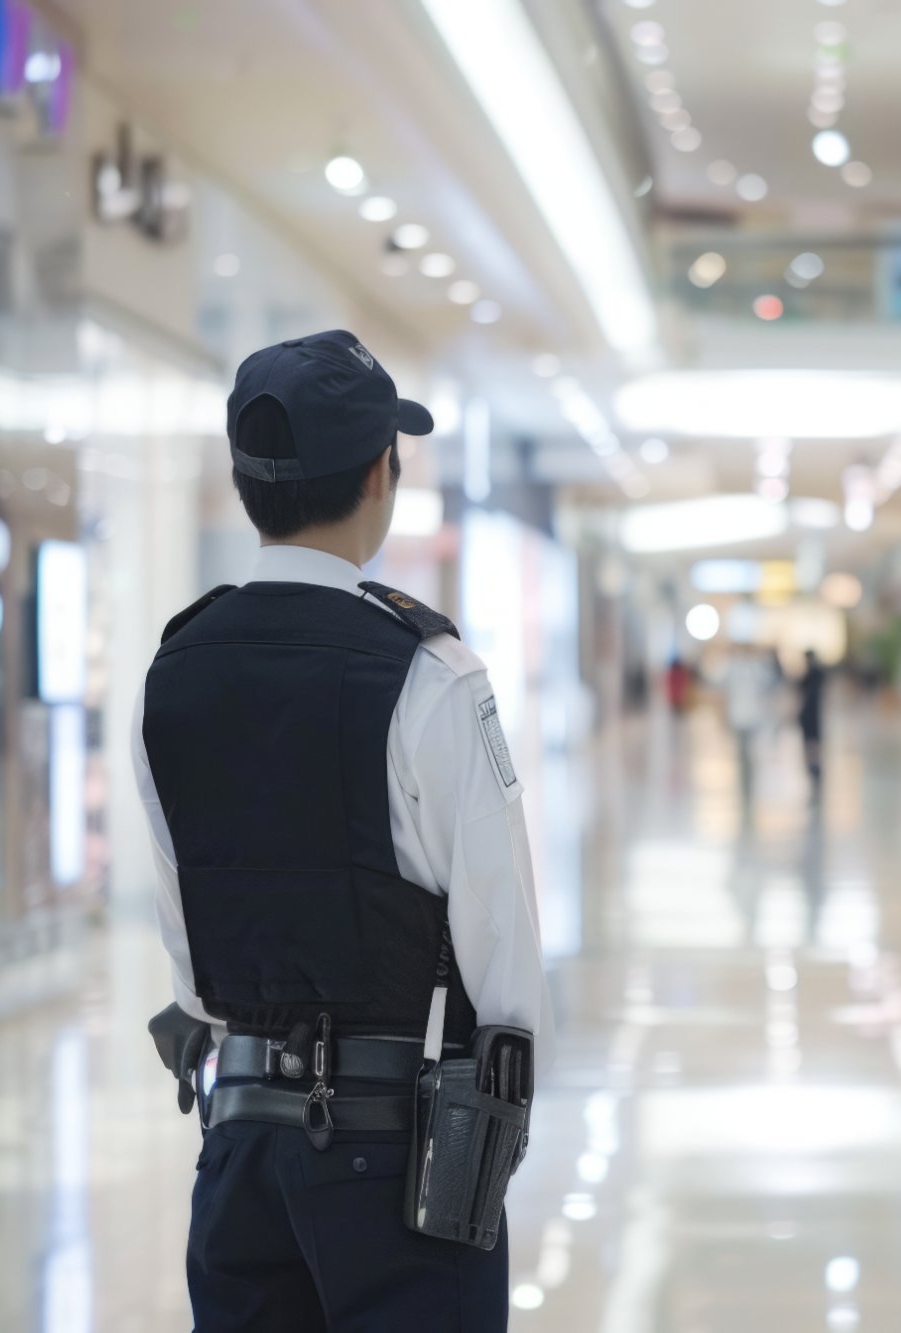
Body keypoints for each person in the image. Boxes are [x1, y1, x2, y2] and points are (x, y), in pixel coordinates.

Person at [133, 330, 553, 1331]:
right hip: (398, 1153)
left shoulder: (177, 668)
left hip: (239, 1144)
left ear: (246, 483)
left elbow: (185, 935)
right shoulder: (426, 670)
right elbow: (500, 939)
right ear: (380, 474)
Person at [724, 642, 771, 804]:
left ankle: (750, 782)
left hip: (752, 716)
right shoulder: (733, 667)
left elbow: (768, 687)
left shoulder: (757, 668)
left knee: (750, 751)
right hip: (738, 716)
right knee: (741, 752)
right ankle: (743, 783)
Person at [798, 649, 828, 792]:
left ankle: (814, 768)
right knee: (812, 741)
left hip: (811, 712)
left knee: (812, 741)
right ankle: (813, 768)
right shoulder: (814, 674)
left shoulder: (814, 673)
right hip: (811, 712)